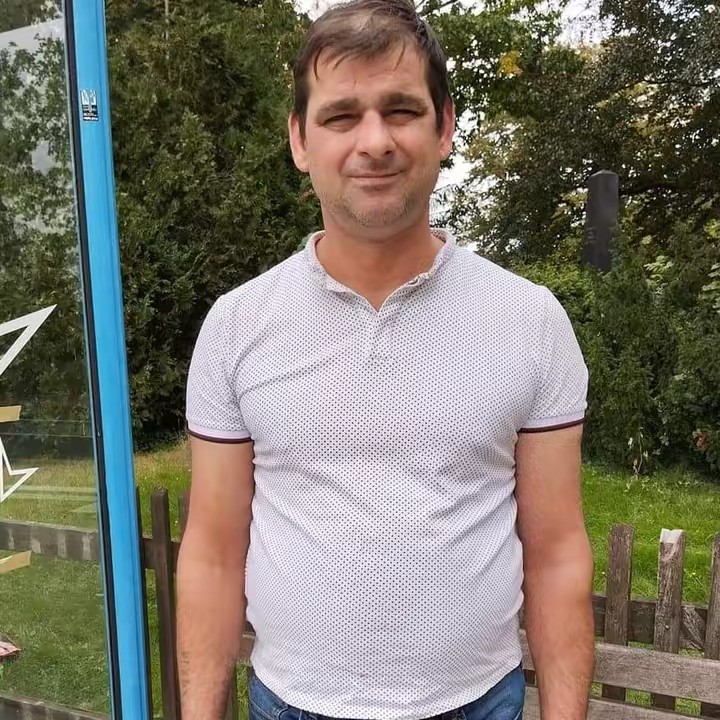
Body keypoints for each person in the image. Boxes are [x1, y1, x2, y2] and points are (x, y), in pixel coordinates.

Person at [177, 1, 595, 719]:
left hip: (478, 703)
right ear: (300, 140)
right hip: (291, 704)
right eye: (341, 116)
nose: (374, 142)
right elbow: (213, 553)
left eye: (401, 110)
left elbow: (557, 554)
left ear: (444, 127)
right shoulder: (236, 327)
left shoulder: (530, 321)